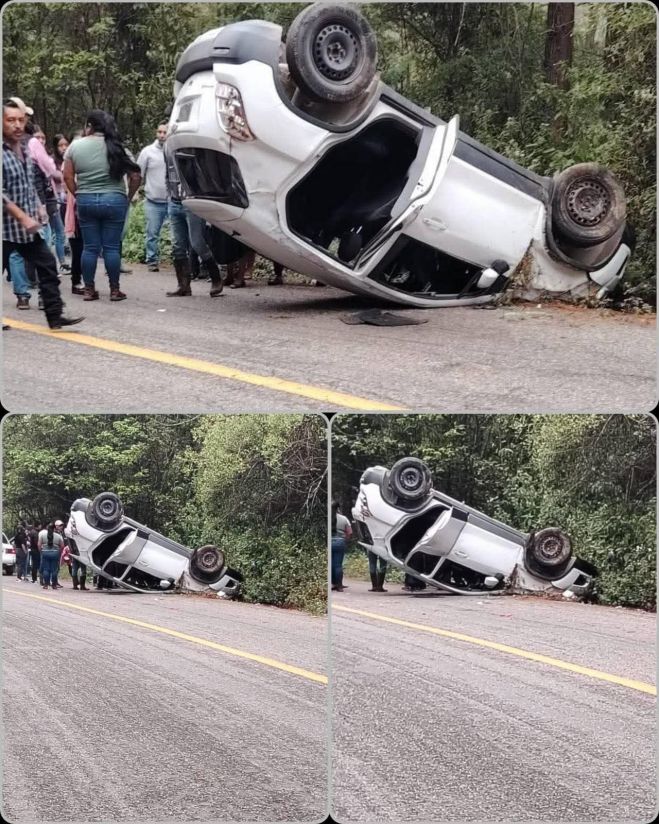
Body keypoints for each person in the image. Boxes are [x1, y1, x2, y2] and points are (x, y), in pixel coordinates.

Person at [2, 98, 84, 329]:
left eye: (21, 120)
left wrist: (38, 207)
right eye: (10, 120)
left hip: (25, 229)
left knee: (47, 265)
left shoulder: (26, 149)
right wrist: (22, 216)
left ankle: (55, 316)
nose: (17, 125)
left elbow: (29, 185)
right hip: (5, 229)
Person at [62, 109, 141, 301]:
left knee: (89, 248)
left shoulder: (75, 147)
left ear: (89, 126)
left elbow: (67, 176)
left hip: (86, 200)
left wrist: (78, 194)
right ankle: (114, 290)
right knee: (111, 248)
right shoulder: (118, 147)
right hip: (114, 200)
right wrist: (127, 197)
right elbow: (136, 176)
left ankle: (89, 289)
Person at [164, 139, 223, 297]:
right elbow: (167, 172)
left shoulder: (189, 144)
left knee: (197, 242)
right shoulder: (167, 146)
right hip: (174, 201)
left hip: (191, 200)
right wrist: (169, 194)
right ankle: (183, 285)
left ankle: (216, 278)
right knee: (177, 245)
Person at [137, 122, 168, 271]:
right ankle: (152, 260)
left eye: (165, 132)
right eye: (159, 132)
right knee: (152, 233)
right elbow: (138, 174)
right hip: (153, 200)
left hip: (172, 200)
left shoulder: (172, 151)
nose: (162, 135)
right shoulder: (147, 152)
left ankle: (178, 260)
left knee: (176, 235)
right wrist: (135, 192)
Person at [331, 501, 352, 592]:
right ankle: (339, 586)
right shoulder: (344, 519)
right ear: (338, 508)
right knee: (338, 565)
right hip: (340, 542)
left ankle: (333, 584)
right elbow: (349, 532)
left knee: (331, 564)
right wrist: (345, 540)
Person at [38, 522, 63, 590]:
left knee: (46, 569)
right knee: (54, 570)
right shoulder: (58, 536)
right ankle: (54, 585)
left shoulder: (42, 535)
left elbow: (39, 545)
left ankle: (46, 585)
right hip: (55, 553)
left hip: (45, 553)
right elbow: (62, 546)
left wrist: (41, 552)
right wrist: (58, 552)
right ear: (54, 528)